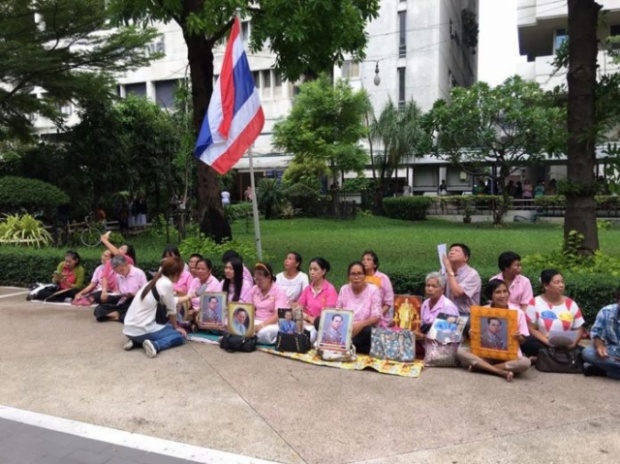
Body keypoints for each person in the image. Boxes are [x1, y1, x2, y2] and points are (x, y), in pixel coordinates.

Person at [457, 279, 531, 382]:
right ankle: (500, 371)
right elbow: (476, 336)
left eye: (505, 291)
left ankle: (481, 367)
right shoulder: (482, 311)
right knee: (461, 351)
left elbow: (524, 340)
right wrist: (472, 334)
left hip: (508, 357)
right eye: (498, 292)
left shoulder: (518, 313)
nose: (503, 295)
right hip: (485, 354)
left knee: (525, 363)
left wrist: (519, 337)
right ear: (490, 295)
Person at [122, 256, 187, 358]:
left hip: (129, 330)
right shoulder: (166, 284)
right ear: (176, 273)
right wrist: (176, 328)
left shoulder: (155, 281)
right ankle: (156, 345)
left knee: (168, 328)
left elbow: (171, 301)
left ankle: (136, 342)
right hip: (142, 330)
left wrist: (190, 296)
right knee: (179, 336)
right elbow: (172, 310)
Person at [523, 269, 585, 358]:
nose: (561, 285)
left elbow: (579, 328)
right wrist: (547, 342)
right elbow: (531, 328)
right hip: (544, 342)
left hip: (566, 344)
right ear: (546, 285)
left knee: (586, 353)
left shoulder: (571, 304)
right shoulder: (535, 303)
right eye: (557, 282)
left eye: (562, 282)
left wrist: (574, 343)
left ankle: (544, 358)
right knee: (528, 344)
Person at [328, 261, 382, 354]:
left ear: (365, 275)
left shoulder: (373, 290)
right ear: (349, 277)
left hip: (363, 328)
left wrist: (360, 325)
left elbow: (376, 316)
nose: (356, 277)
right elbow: (338, 311)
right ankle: (351, 344)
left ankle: (347, 344)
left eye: (359, 274)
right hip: (345, 328)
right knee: (319, 321)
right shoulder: (344, 289)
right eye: (353, 274)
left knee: (369, 331)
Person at [94, 255, 147, 323]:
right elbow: (120, 290)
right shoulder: (119, 275)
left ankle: (119, 316)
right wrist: (117, 293)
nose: (120, 273)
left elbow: (146, 291)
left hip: (136, 300)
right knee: (99, 309)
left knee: (131, 310)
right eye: (118, 272)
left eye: (121, 270)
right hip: (123, 300)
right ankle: (120, 316)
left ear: (125, 264)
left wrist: (134, 294)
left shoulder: (139, 273)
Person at [582, 291, 620, 379]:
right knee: (587, 353)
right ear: (618, 301)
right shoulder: (606, 311)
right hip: (612, 352)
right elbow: (597, 333)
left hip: (613, 359)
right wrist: (599, 346)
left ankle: (605, 371)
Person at [251, 262, 288, 344]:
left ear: (269, 278)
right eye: (255, 279)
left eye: (260, 280)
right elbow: (250, 308)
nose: (257, 282)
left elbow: (278, 315)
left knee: (263, 333)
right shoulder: (254, 289)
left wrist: (261, 325)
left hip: (272, 324)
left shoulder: (279, 291)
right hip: (257, 320)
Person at [441, 243, 481, 316]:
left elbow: (457, 293)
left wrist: (449, 269)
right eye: (451, 250)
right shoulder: (443, 271)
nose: (452, 252)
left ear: (465, 258)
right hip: (446, 312)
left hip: (465, 314)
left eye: (457, 251)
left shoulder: (472, 274)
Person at [419, 272, 459, 340]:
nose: (430, 289)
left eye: (434, 286)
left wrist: (425, 337)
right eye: (428, 285)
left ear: (442, 289)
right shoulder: (425, 304)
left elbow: (452, 336)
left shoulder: (448, 307)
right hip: (425, 345)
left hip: (442, 348)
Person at [361, 250, 394, 327]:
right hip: (361, 317)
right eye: (363, 259)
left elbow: (388, 302)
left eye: (368, 259)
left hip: (380, 318)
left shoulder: (383, 278)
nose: (365, 261)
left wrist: (377, 316)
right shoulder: (359, 278)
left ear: (375, 264)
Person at [187, 258, 221, 327]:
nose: (200, 271)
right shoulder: (195, 281)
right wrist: (186, 309)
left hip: (207, 314)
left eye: (203, 269)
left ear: (209, 270)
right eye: (198, 268)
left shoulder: (215, 283)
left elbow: (215, 305)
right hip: (192, 312)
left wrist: (196, 312)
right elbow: (189, 298)